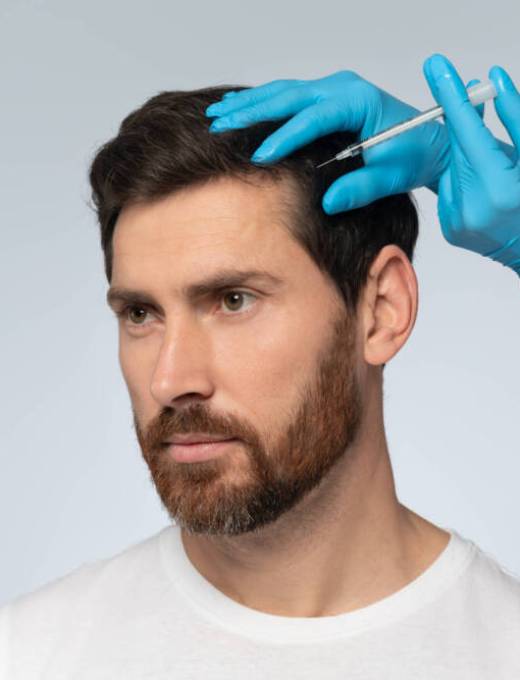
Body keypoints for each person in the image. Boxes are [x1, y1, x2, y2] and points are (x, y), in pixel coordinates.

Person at [0, 53, 518, 678]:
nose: (171, 379)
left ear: (381, 310)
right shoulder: (29, 655)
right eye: (141, 313)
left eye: (233, 300)